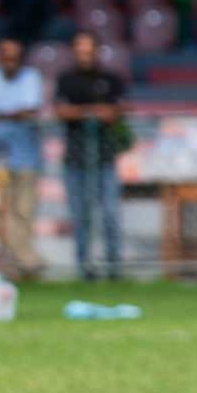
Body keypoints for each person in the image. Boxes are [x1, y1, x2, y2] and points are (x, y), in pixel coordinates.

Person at [55, 31, 127, 280]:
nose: (84, 56)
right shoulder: (65, 80)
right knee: (81, 216)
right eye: (80, 51)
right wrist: (94, 110)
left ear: (97, 51)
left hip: (105, 157)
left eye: (89, 51)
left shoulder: (111, 79)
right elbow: (62, 112)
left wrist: (90, 112)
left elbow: (118, 111)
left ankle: (113, 267)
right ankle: (84, 267)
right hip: (74, 160)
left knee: (110, 214)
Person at [0, 38, 45, 280]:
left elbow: (30, 109)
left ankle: (21, 264)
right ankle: (17, 261)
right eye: (6, 57)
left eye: (15, 58)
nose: (10, 63)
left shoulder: (31, 77)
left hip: (25, 158)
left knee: (22, 212)